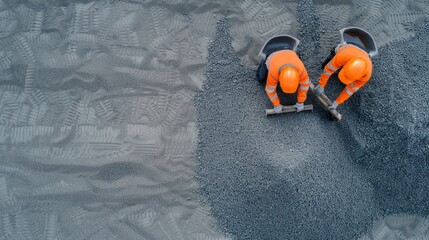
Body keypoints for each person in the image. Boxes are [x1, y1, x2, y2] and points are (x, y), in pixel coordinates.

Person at [314, 27, 377, 110]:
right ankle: (331, 57)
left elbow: (350, 90)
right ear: (346, 65)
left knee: (336, 68)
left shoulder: (366, 75)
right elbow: (328, 70)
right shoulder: (342, 56)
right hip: (348, 46)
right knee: (334, 51)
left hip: (363, 52)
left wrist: (337, 103)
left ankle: (345, 75)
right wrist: (321, 85)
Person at [256, 46, 310, 113]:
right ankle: (263, 61)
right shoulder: (273, 72)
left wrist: (301, 102)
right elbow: (270, 90)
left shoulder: (302, 71)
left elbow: (304, 86)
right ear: (279, 79)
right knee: (260, 77)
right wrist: (277, 105)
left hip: (289, 50)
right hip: (272, 53)